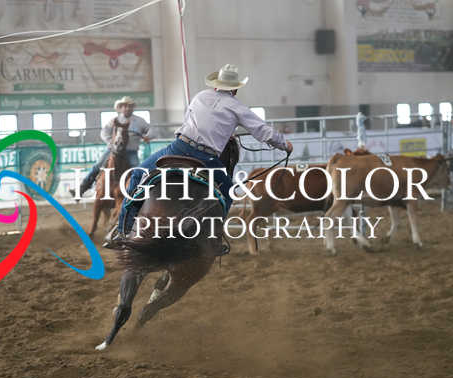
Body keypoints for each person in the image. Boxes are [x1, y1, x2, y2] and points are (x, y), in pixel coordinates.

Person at [105, 64, 293, 247]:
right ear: (235, 89)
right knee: (227, 192)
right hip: (206, 158)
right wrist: (284, 144)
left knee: (138, 174)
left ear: (216, 85)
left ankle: (123, 229)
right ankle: (215, 237)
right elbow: (261, 130)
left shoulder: (200, 96)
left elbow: (189, 121)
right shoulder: (237, 107)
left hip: (178, 148)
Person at [77, 96, 151, 196]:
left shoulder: (140, 121)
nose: (127, 108)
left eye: (129, 106)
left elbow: (151, 130)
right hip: (114, 150)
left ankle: (139, 192)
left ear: (133, 108)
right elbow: (104, 132)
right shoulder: (114, 120)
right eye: (125, 106)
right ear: (121, 108)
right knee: (97, 166)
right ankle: (81, 189)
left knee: (136, 169)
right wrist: (111, 142)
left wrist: (148, 136)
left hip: (131, 151)